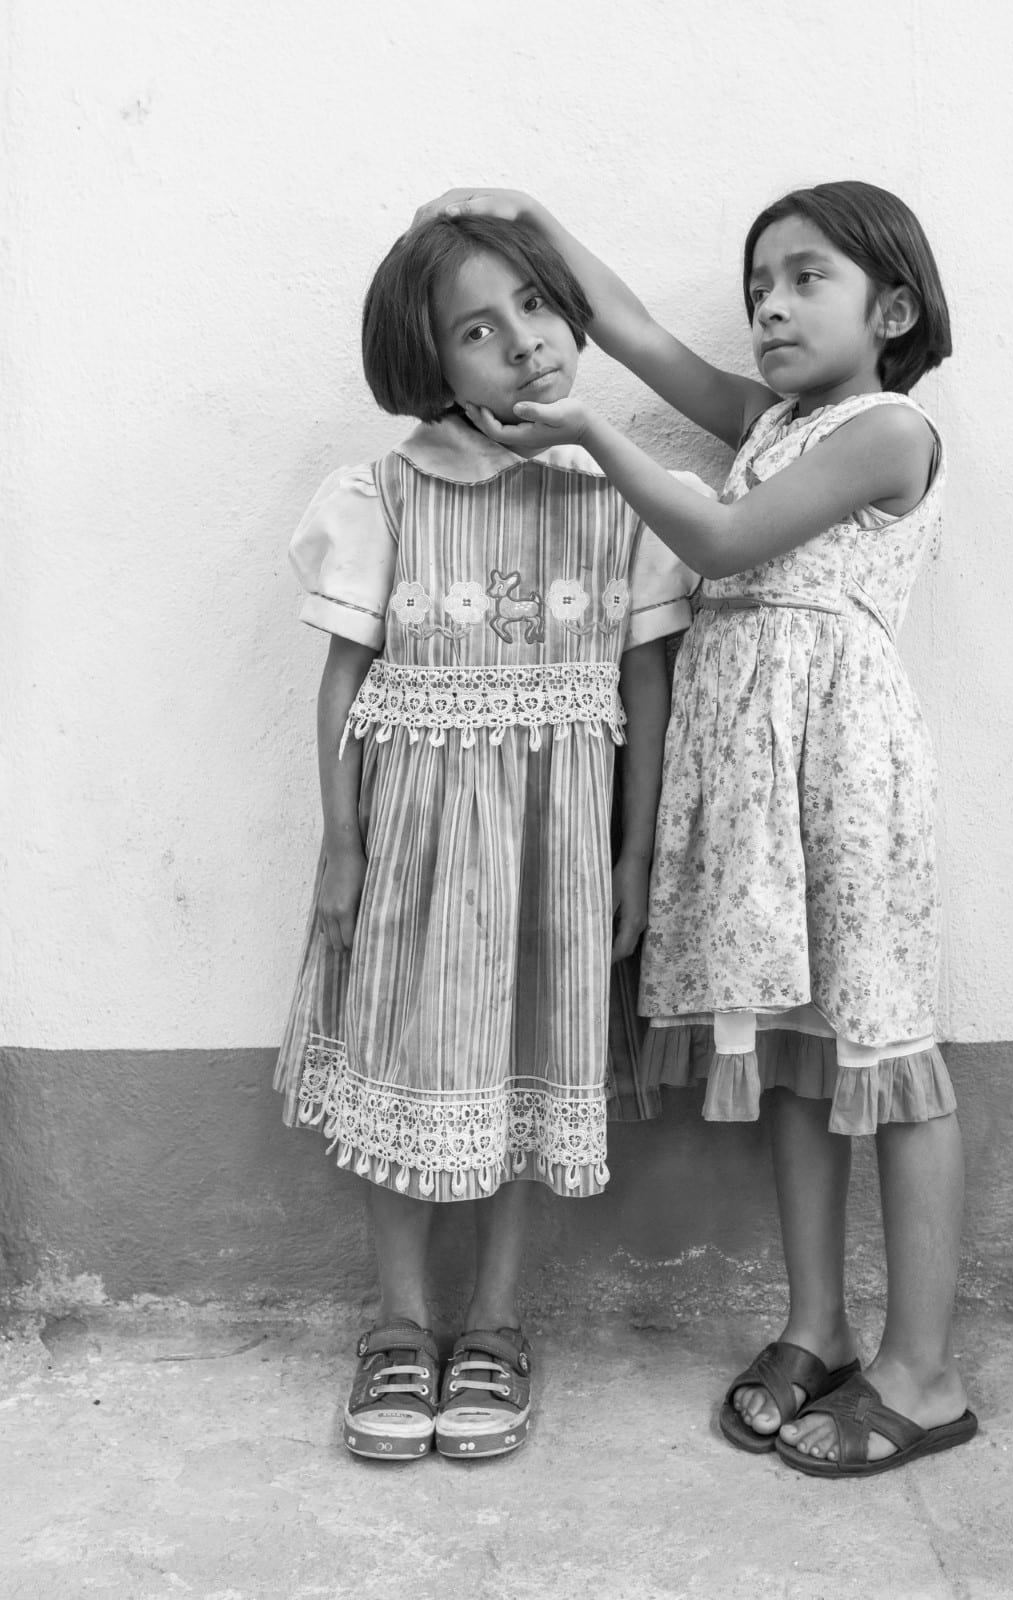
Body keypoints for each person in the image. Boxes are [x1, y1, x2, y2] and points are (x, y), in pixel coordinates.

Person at [417, 181, 977, 1477]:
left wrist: (588, 438)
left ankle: (925, 1369)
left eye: (803, 280)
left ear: (891, 306)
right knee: (791, 1049)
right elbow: (635, 335)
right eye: (756, 287)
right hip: (755, 778)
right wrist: (532, 218)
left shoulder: (889, 431)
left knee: (889, 1056)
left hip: (840, 768)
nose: (769, 307)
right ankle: (818, 1326)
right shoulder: (776, 419)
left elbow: (721, 539)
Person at [274, 213, 698, 1462]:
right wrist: (343, 843)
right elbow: (345, 680)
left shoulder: (621, 493)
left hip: (558, 844)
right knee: (404, 1048)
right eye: (477, 328)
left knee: (534, 1053)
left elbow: (650, 690)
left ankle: (499, 1321)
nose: (521, 342)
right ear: (430, 362)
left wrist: (631, 859)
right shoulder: (384, 492)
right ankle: (400, 1320)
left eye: (532, 305)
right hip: (416, 831)